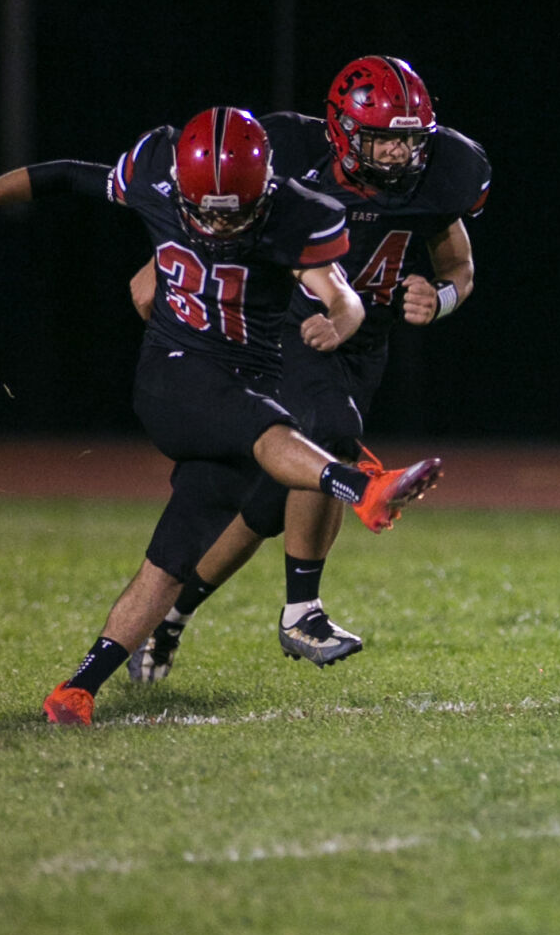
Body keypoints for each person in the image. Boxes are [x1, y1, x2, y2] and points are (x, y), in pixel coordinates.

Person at [0, 106, 443, 725]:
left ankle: (76, 689)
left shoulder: (301, 210)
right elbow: (57, 175)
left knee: (170, 559)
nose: (218, 221)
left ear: (266, 184)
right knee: (274, 429)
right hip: (175, 373)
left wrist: (341, 323)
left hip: (246, 381)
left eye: (233, 210)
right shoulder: (155, 171)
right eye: (206, 209)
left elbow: (343, 295)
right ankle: (362, 487)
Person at [127, 56, 489, 678]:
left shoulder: (445, 174)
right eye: (383, 139)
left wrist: (444, 297)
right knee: (329, 431)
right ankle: (303, 611)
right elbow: (208, 224)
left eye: (409, 140)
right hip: (289, 328)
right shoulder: (288, 155)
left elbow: (461, 267)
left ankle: (170, 618)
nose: (400, 156)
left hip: (363, 344)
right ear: (344, 133)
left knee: (268, 502)